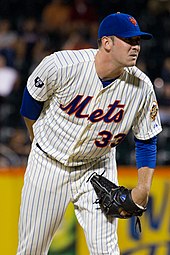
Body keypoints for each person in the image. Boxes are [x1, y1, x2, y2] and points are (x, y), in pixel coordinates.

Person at [17, 12, 162, 255]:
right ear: (107, 43)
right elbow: (30, 103)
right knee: (31, 249)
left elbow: (147, 140)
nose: (136, 47)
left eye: (138, 42)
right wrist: (36, 139)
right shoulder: (63, 66)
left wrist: (143, 188)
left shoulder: (142, 87)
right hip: (48, 164)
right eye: (129, 40)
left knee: (106, 250)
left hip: (97, 167)